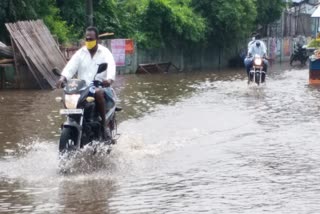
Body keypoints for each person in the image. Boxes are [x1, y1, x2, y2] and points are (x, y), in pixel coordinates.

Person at [56, 26, 116, 140]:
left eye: (91, 39)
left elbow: (111, 67)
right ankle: (73, 121)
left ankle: (104, 127)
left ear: (97, 39)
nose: (88, 41)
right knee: (68, 93)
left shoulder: (105, 52)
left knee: (98, 92)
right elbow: (71, 66)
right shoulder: (81, 53)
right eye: (87, 39)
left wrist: (109, 80)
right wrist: (62, 78)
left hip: (100, 86)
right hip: (83, 89)